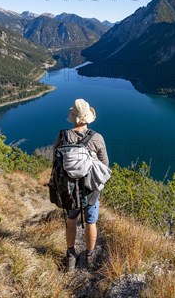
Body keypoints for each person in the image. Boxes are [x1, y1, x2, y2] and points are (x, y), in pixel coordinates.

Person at [53, 98, 109, 271]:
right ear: (87, 118)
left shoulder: (62, 136)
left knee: (71, 221)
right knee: (91, 222)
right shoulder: (97, 138)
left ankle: (70, 256)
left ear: (73, 117)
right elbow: (105, 165)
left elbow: (56, 162)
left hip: (69, 189)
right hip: (90, 190)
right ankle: (89, 256)